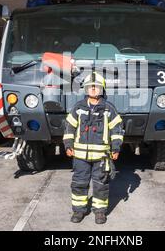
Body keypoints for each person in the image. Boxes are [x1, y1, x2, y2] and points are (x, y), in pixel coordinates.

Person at [63, 72, 124, 224]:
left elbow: (117, 130)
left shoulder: (109, 109)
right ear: (85, 89)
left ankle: (100, 212)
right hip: (80, 156)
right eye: (90, 86)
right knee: (79, 183)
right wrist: (68, 145)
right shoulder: (78, 108)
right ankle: (79, 211)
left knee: (101, 185)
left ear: (102, 89)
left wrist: (116, 148)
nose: (93, 89)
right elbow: (69, 128)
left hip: (102, 157)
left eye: (96, 87)